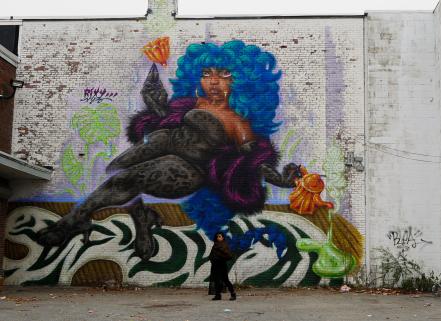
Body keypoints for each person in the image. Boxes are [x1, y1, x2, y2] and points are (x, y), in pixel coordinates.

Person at [36, 40, 301, 262]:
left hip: (186, 169)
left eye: (224, 75)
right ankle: (142, 219)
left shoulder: (239, 123)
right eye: (207, 73)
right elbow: (166, 119)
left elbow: (252, 163)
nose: (214, 82)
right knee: (115, 169)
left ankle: (73, 221)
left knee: (122, 180)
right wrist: (157, 103)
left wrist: (284, 180)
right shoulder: (193, 102)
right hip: (163, 144)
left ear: (243, 82)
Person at [209, 232, 236, 301]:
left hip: (222, 265)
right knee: (216, 281)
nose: (218, 238)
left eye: (220, 236)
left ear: (223, 237)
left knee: (225, 280)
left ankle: (233, 294)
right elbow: (212, 254)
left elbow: (229, 255)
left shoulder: (224, 245)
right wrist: (212, 259)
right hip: (215, 265)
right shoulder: (215, 245)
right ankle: (218, 295)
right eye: (217, 236)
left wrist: (220, 256)